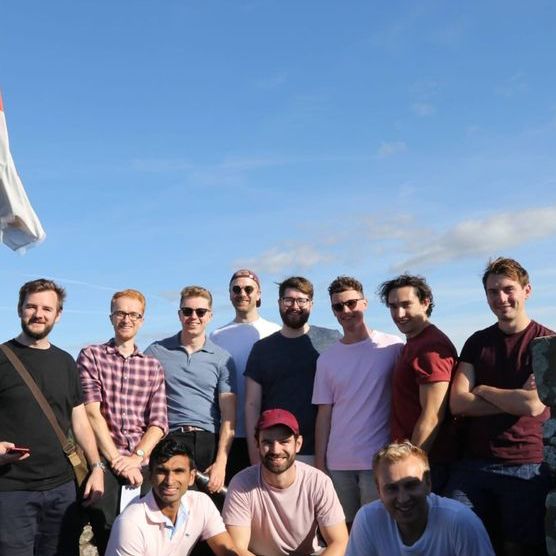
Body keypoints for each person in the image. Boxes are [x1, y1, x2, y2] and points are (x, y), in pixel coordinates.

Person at [448, 257, 554, 555]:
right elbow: (458, 403)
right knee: (455, 533)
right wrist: (512, 398)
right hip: (474, 462)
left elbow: (533, 405)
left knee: (516, 547)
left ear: (527, 290)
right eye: (493, 292)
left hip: (526, 463)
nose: (501, 298)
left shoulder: (546, 343)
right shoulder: (478, 342)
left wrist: (481, 389)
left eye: (508, 289)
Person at [0, 278, 104, 556]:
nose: (38, 314)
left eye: (47, 308)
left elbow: (79, 419)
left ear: (58, 315)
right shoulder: (1, 358)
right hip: (10, 489)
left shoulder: (66, 362)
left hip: (61, 488)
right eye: (31, 306)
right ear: (20, 309)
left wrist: (96, 467)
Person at [77, 289, 169, 554]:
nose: (126, 319)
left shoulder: (152, 367)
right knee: (107, 537)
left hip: (142, 465)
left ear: (142, 320)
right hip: (104, 464)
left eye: (133, 314)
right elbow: (91, 412)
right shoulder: (91, 355)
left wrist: (136, 456)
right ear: (111, 317)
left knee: (147, 539)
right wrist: (117, 460)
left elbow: (158, 421)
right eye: (120, 313)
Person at [313, 276, 403, 526]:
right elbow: (324, 414)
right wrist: (321, 464)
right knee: (346, 531)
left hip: (378, 459)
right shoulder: (327, 360)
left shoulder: (392, 346)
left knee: (379, 528)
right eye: (338, 306)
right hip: (338, 462)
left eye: (351, 303)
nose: (345, 311)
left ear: (364, 303)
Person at [146, 285, 236, 495]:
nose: (193, 317)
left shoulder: (223, 359)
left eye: (200, 312)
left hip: (207, 441)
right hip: (170, 438)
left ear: (210, 316)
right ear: (180, 314)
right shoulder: (156, 351)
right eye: (187, 311)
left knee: (206, 513)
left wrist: (221, 463)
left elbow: (229, 416)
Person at [223, 409, 348, 556]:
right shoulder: (241, 484)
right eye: (268, 442)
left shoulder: (318, 482)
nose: (276, 450)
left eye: (284, 441)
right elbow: (237, 549)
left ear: (298, 443)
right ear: (257, 443)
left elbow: (339, 542)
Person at [244, 276, 340, 465]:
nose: (294, 306)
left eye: (301, 300)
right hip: (276, 451)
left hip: (328, 451)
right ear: (279, 303)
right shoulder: (262, 349)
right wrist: (255, 455)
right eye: (288, 300)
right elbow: (251, 405)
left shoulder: (332, 340)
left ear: (311, 304)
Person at [377, 274, 458, 493]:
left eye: (406, 305)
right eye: (393, 307)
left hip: (429, 464)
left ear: (425, 302)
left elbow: (432, 415)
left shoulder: (431, 347)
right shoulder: (414, 344)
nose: (399, 314)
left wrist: (410, 466)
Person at [346, 441, 494, 555]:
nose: (403, 498)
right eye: (392, 488)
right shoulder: (367, 519)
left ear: (428, 483)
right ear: (379, 491)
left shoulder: (461, 521)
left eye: (411, 485)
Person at [106, 436, 240, 556]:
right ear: (150, 476)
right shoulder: (130, 523)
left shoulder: (201, 503)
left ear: (192, 477)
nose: (170, 481)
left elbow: (228, 551)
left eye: (178, 471)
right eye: (162, 471)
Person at [210, 270, 280, 480]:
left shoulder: (274, 331)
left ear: (259, 294)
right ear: (230, 294)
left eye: (248, 289)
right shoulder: (217, 336)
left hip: (267, 433)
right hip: (230, 435)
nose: (242, 293)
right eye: (236, 289)